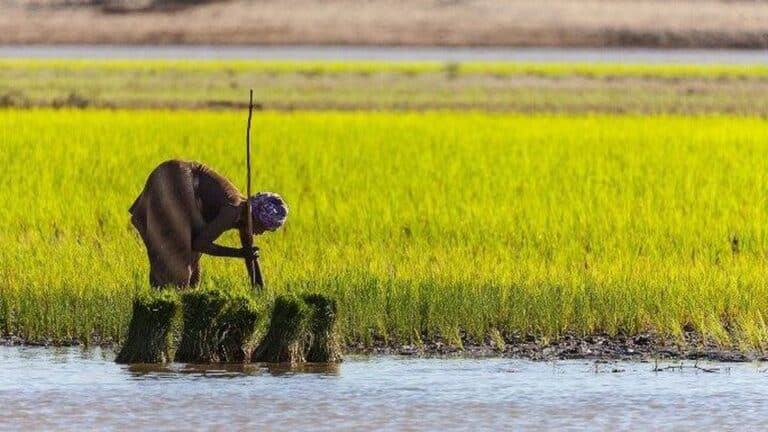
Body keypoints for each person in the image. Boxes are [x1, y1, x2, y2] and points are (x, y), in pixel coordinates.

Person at [129, 159, 288, 288]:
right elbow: (200, 244)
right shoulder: (233, 210)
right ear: (255, 218)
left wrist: (259, 289)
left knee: (192, 276)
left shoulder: (244, 216)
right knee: (177, 266)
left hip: (176, 180)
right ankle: (161, 311)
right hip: (174, 181)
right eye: (264, 228)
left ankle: (170, 305)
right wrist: (238, 253)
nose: (262, 233)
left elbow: (250, 255)